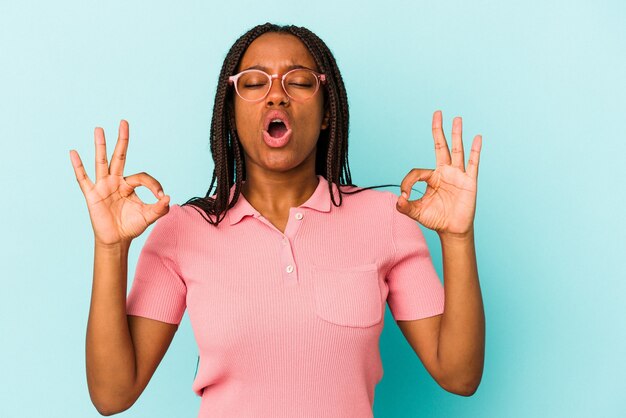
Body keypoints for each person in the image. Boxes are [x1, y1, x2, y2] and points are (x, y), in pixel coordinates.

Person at [69, 22, 485, 417]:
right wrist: (110, 248)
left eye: (300, 82)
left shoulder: (387, 220)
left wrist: (458, 238)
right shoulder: (183, 230)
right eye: (253, 83)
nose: (276, 96)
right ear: (231, 114)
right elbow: (112, 394)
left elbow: (459, 375)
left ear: (327, 113)